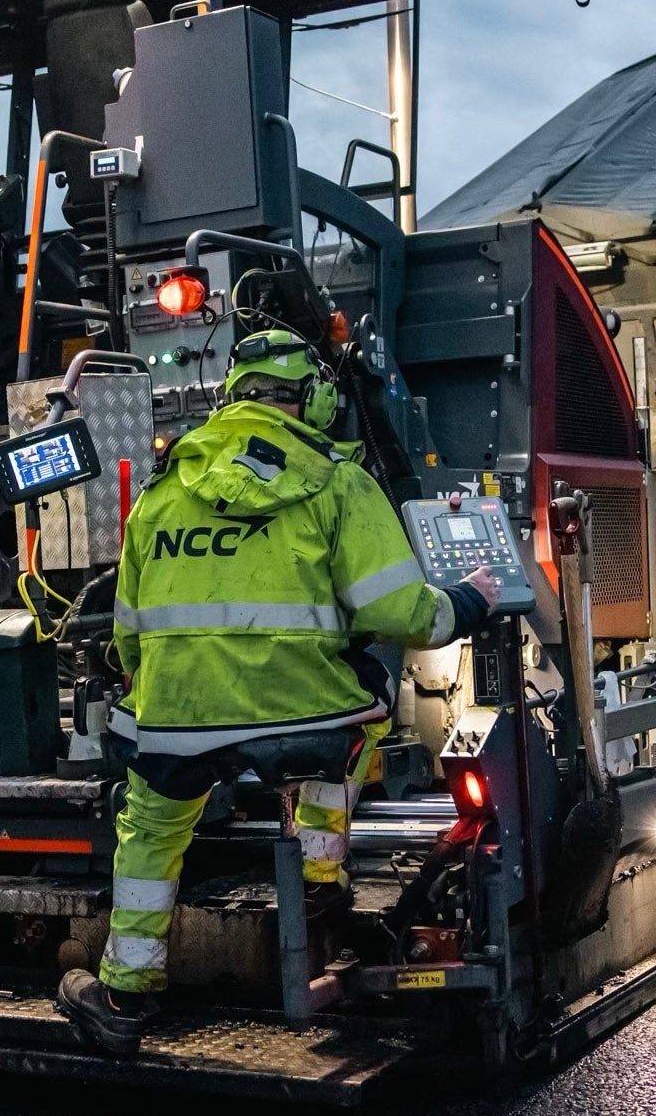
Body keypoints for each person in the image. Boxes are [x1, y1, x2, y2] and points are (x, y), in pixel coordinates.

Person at [55, 330, 497, 1055]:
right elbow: (400, 614)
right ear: (315, 399)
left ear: (231, 397)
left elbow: (128, 635)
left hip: (177, 724)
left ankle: (124, 996)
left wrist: (159, 690)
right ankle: (323, 873)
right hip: (307, 722)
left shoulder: (162, 493)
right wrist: (469, 600)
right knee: (365, 701)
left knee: (153, 830)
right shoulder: (338, 480)